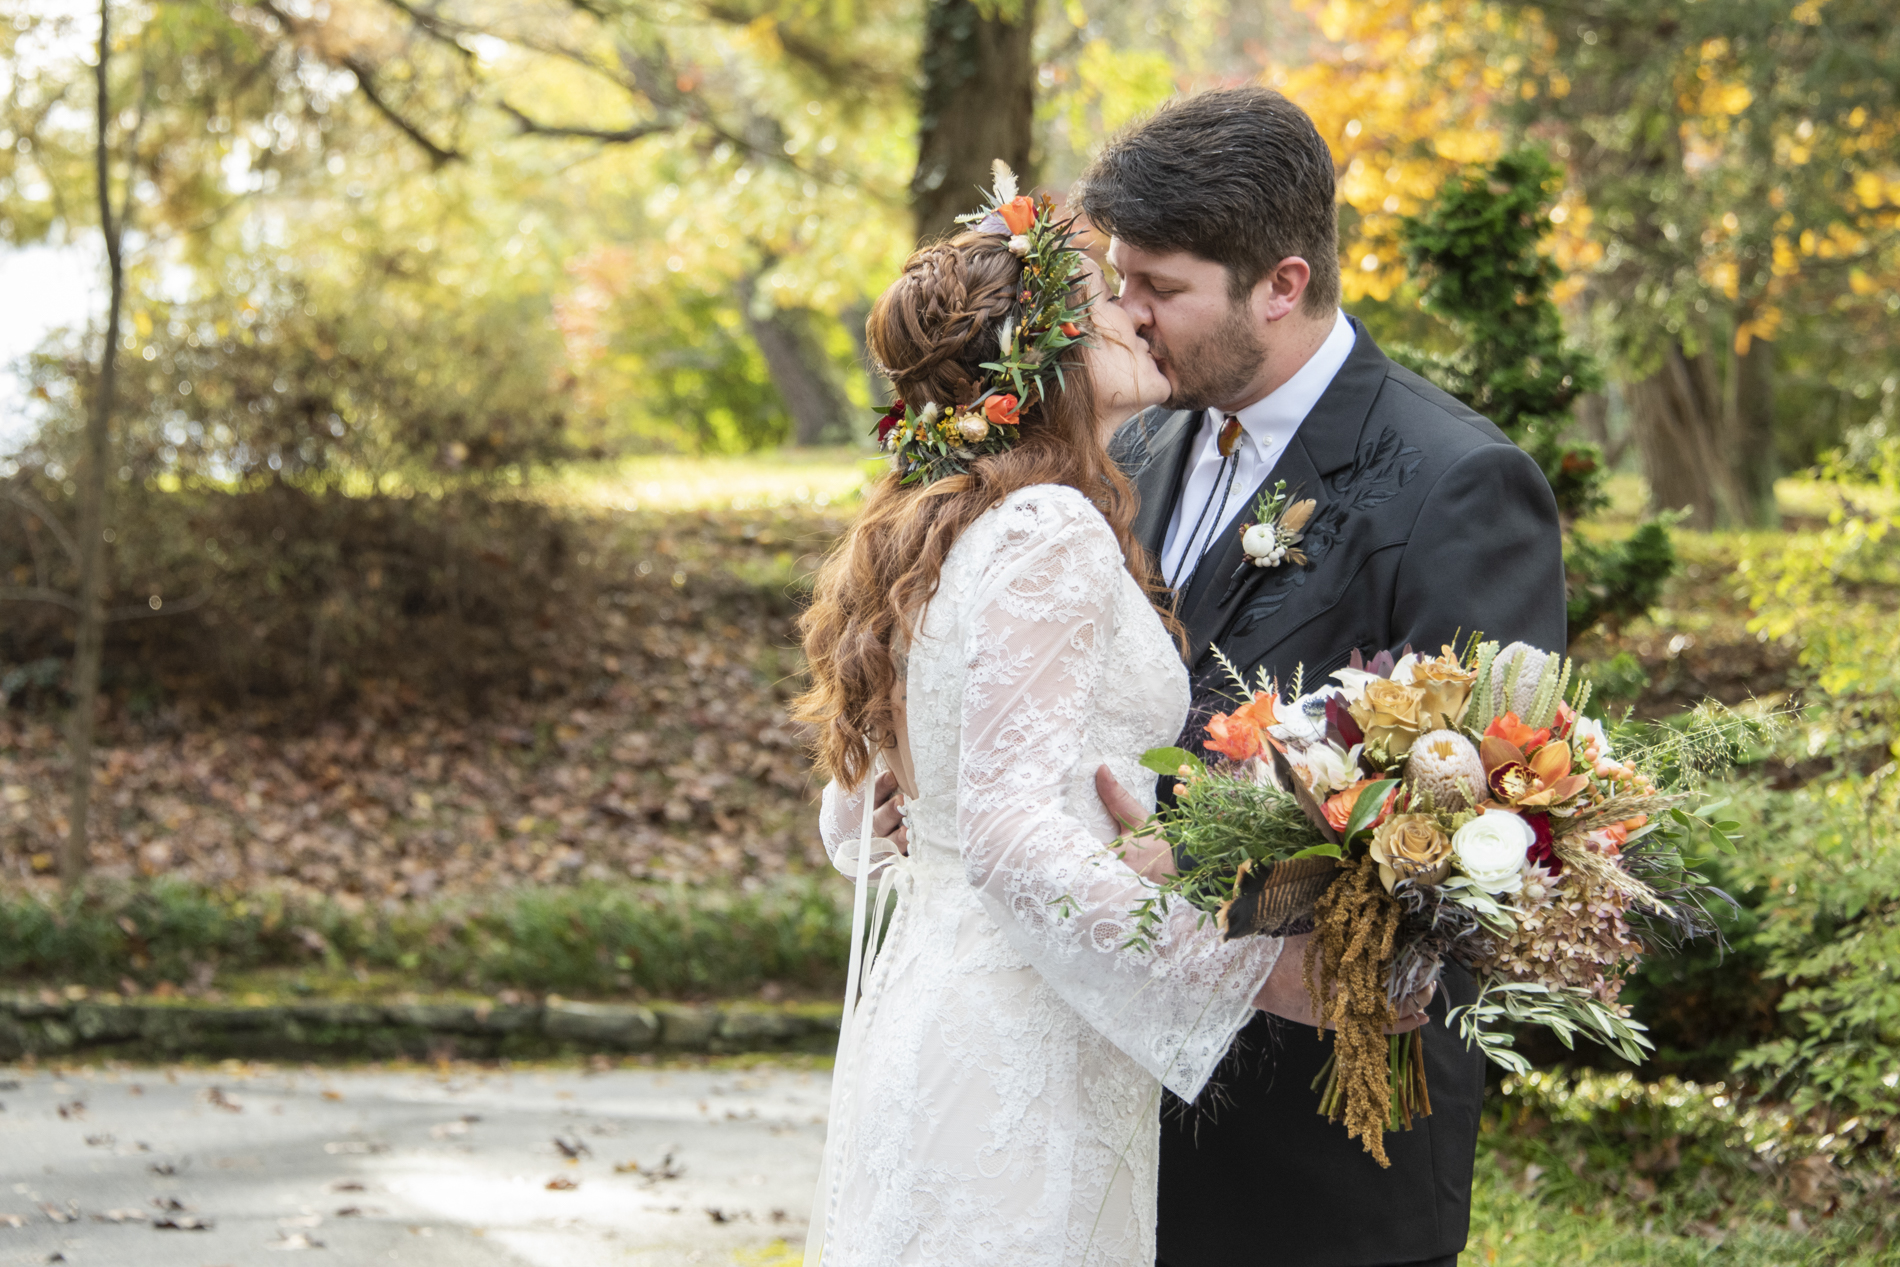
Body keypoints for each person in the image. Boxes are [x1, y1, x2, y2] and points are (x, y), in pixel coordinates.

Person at [793, 171, 1432, 1267]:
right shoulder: (1043, 525)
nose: (1138, 311)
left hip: (957, 1010)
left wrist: (917, 811)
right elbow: (1003, 835)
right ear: (1041, 360)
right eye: (1108, 302)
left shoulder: (959, 516)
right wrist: (1258, 971)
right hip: (1018, 1042)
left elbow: (860, 814)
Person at [1076, 87, 1569, 1267]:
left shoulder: (1456, 485)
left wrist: (1199, 885)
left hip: (1317, 1134)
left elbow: (1475, 833)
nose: (1124, 316)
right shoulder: (1132, 440)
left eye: (1159, 287)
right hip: (1114, 1098)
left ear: (1281, 285)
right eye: (1117, 275)